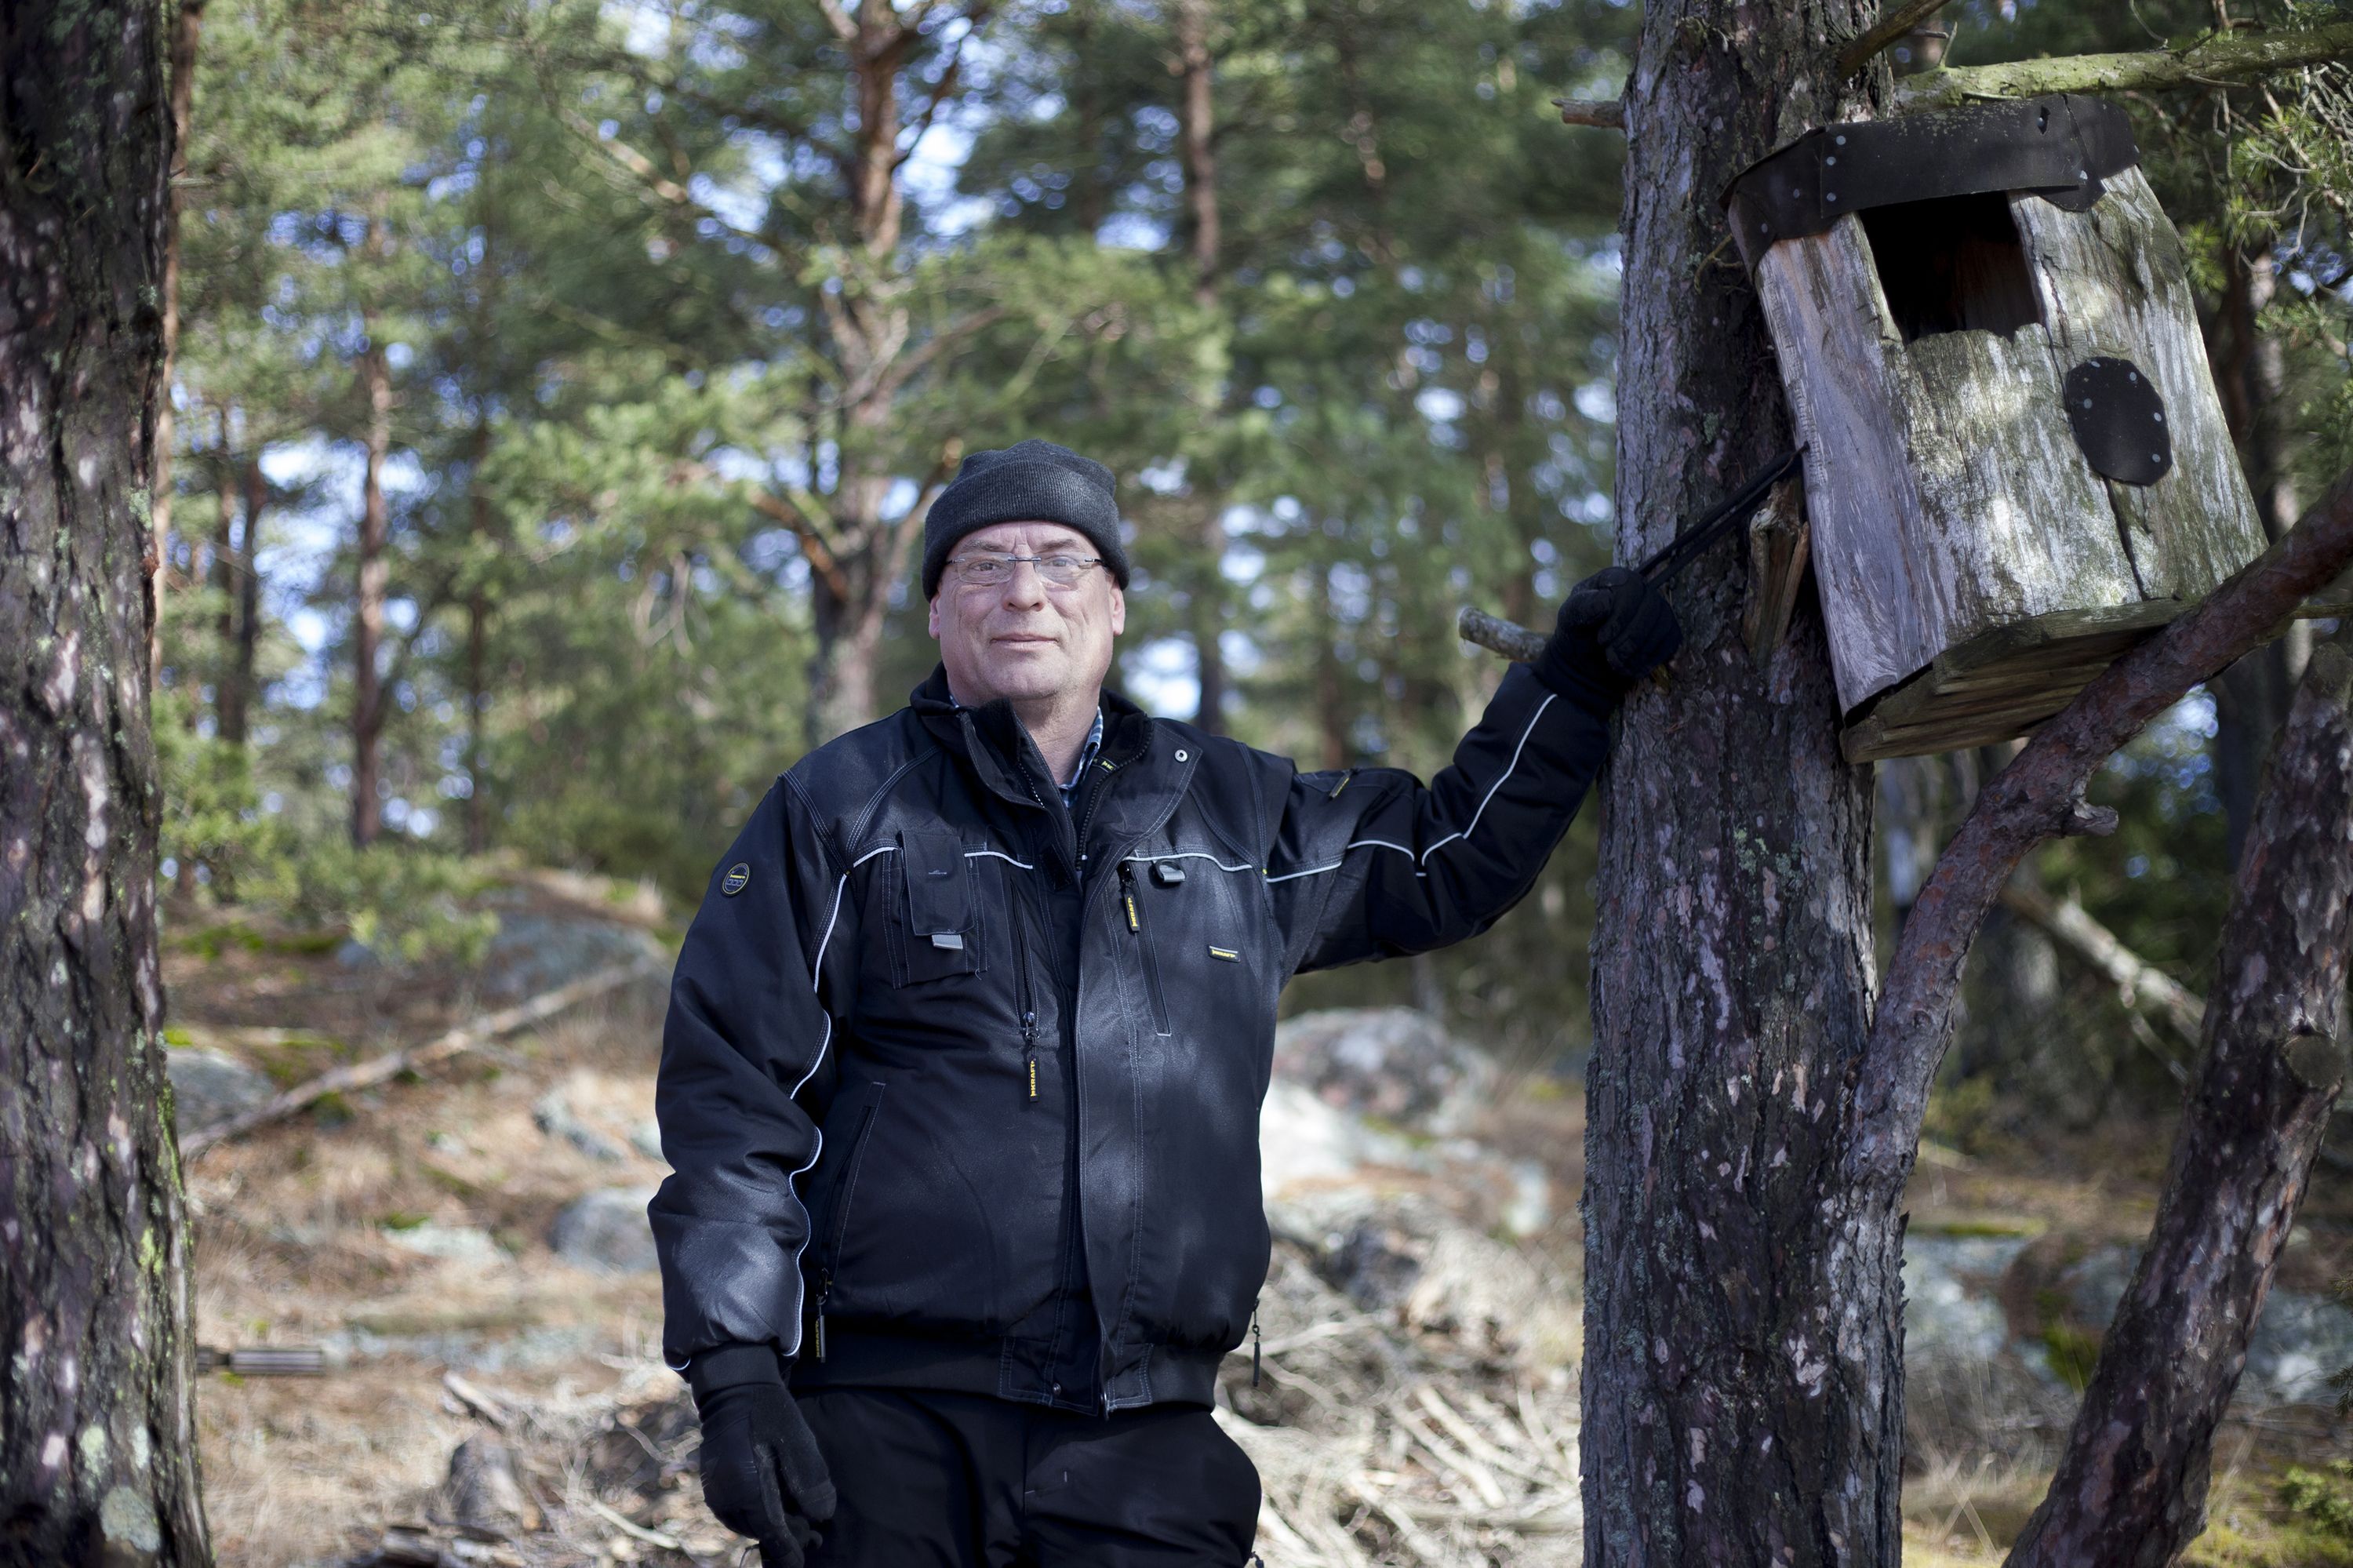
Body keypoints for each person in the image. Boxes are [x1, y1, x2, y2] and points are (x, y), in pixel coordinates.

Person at [649, 438, 1678, 1567]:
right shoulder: (841, 811)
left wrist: (1571, 686)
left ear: (1116, 605)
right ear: (937, 609)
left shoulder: (1231, 813)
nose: (1025, 591)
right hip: (886, 1424)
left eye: (1062, 560)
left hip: (1145, 1442)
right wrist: (737, 1374)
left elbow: (1446, 855)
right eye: (984, 564)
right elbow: (736, 1099)